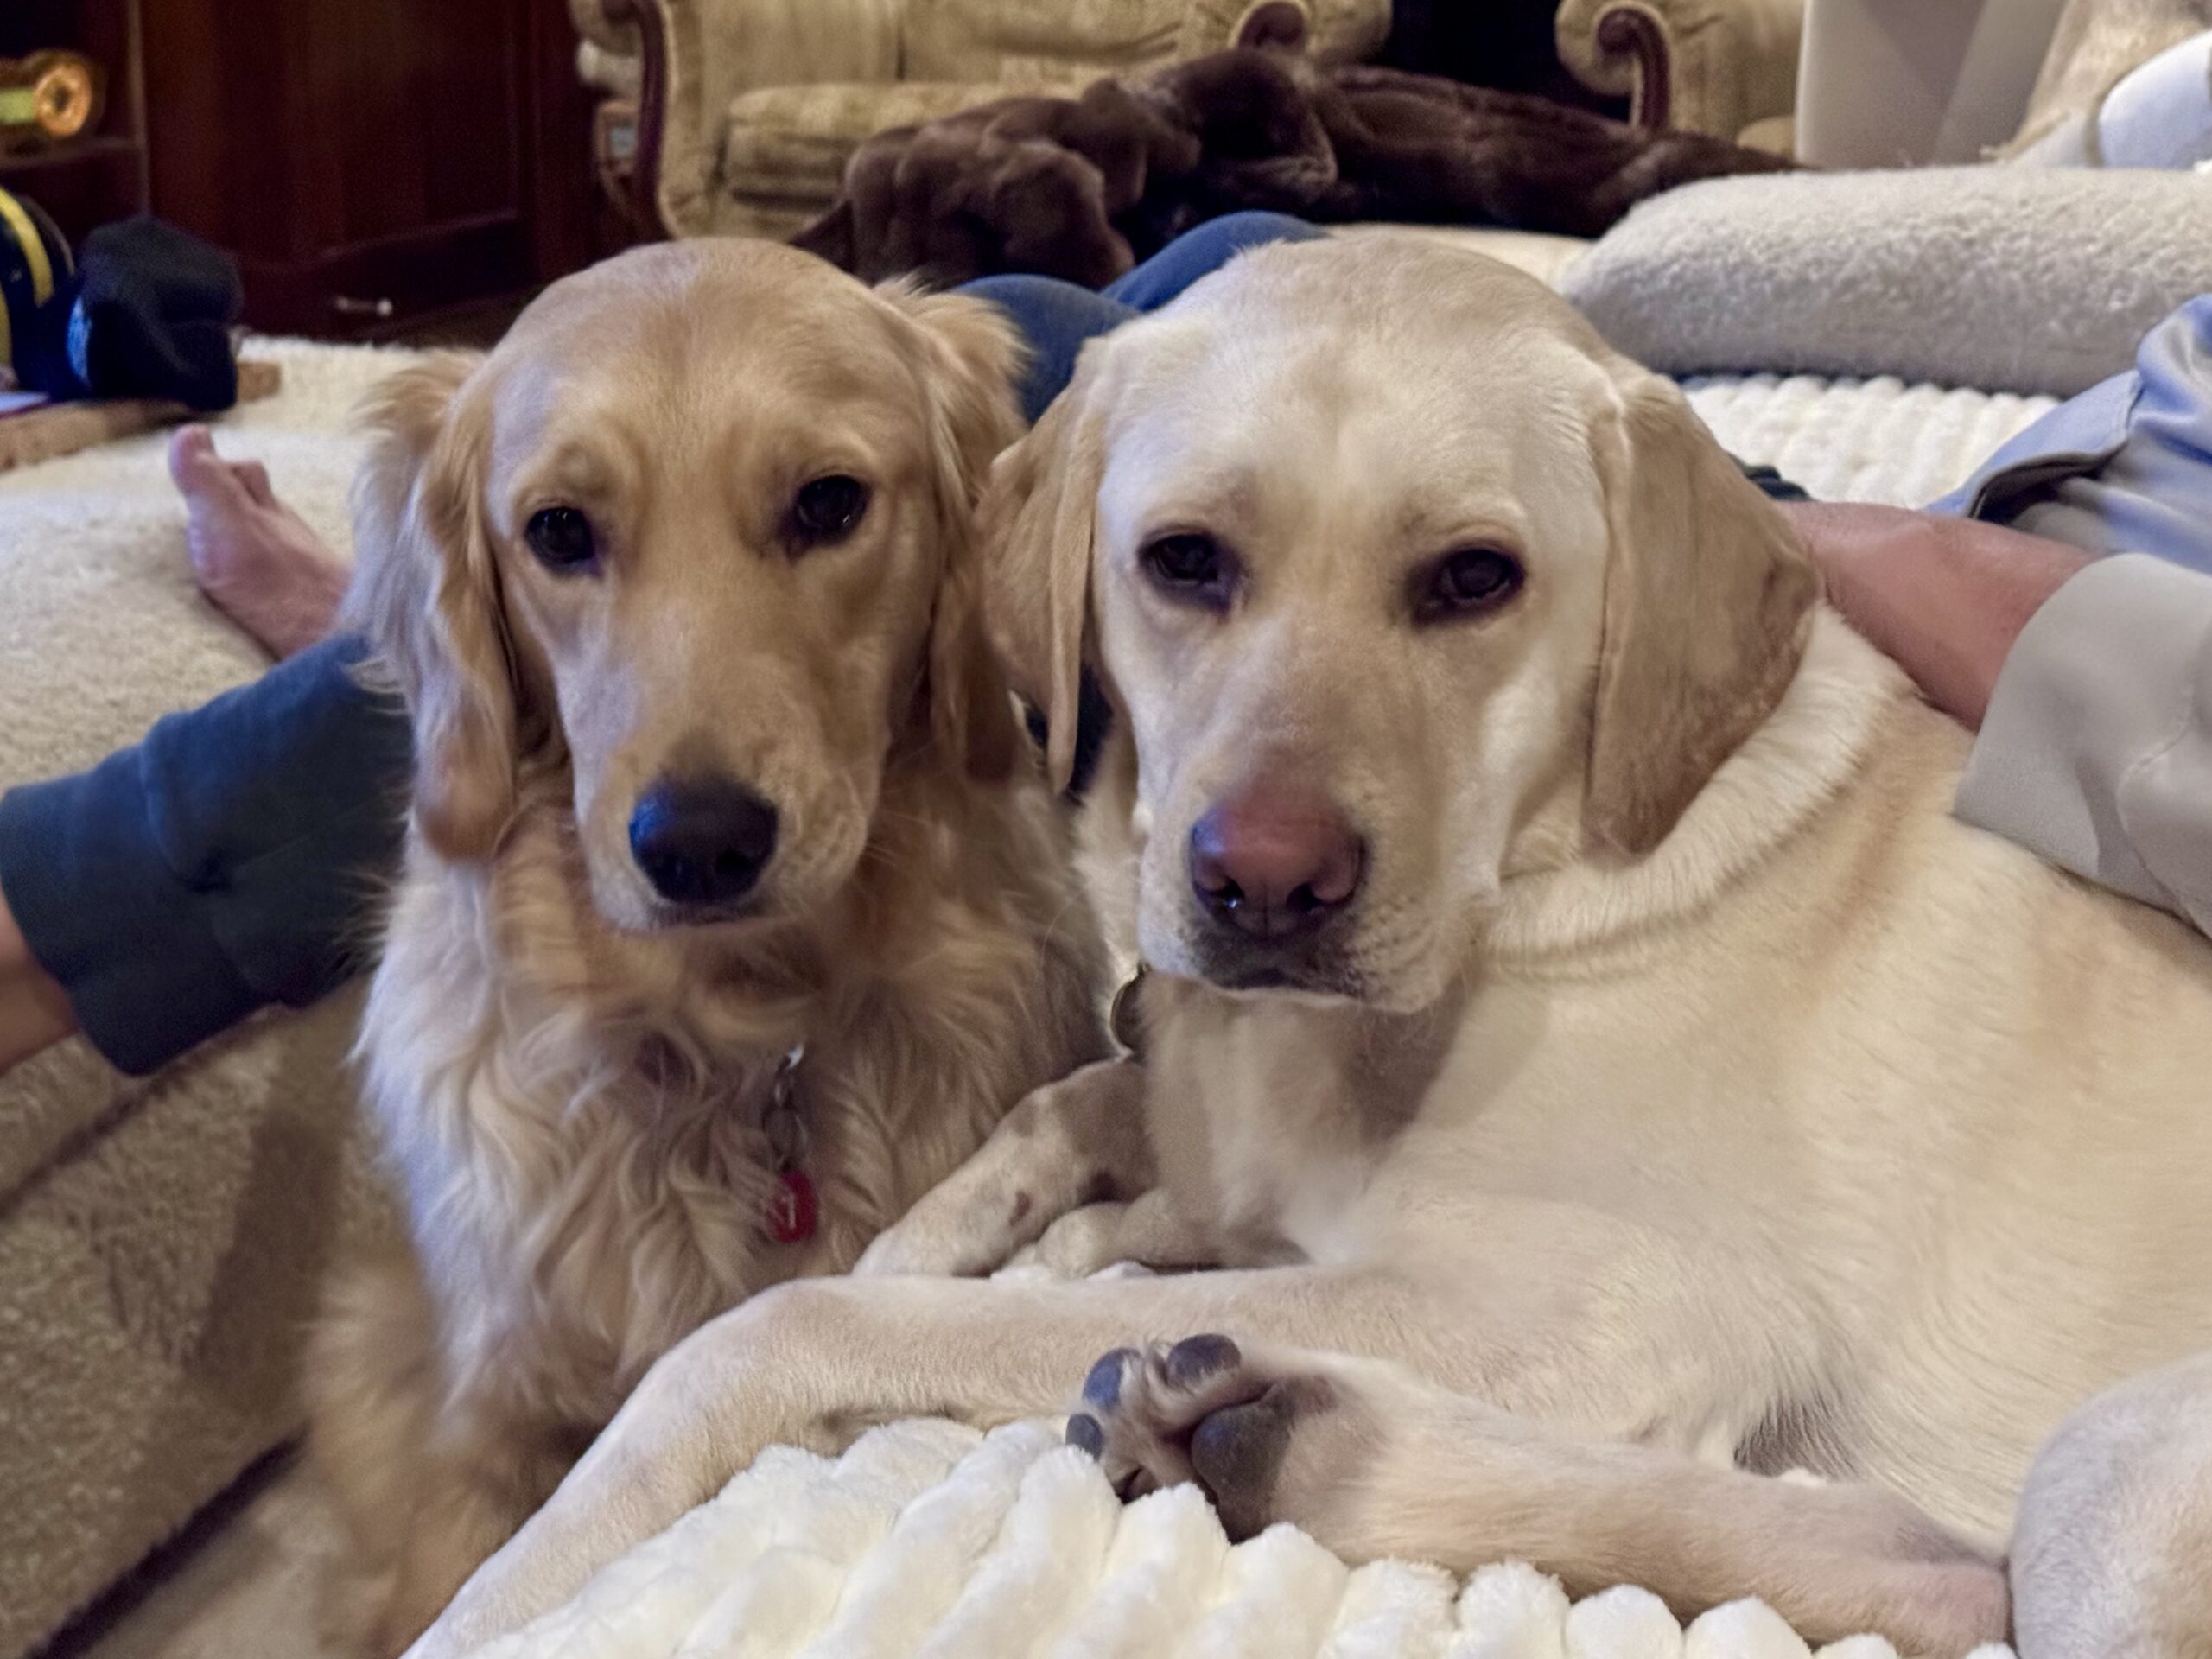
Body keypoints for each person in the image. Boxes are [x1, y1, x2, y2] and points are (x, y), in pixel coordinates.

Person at [3, 217, 2209, 1080]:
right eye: (568, 534)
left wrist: (1844, 544)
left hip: (1998, 609)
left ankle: (94, 879)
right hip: (2014, 492)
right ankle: (466, 612)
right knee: (1205, 282)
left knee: (1029, 352)